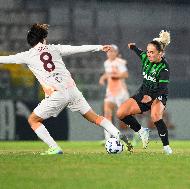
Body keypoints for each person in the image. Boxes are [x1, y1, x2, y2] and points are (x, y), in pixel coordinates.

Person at [0, 23, 132, 155]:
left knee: (33, 120)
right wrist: (99, 47)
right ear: (43, 39)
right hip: (72, 89)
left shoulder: (27, 55)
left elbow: (5, 59)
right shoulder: (55, 48)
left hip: (57, 94)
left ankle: (54, 148)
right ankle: (119, 135)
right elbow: (77, 49)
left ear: (31, 42)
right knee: (95, 118)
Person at [116, 30, 173, 155]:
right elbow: (139, 53)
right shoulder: (146, 58)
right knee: (120, 113)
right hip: (143, 93)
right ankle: (142, 131)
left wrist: (152, 98)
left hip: (158, 95)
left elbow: (162, 88)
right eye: (148, 51)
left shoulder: (164, 68)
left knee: (155, 116)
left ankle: (166, 147)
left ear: (161, 54)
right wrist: (133, 47)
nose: (148, 54)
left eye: (152, 52)